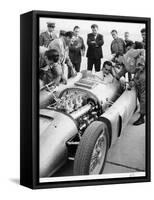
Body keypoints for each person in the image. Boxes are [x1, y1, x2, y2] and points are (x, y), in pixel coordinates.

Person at [114, 46, 146, 125]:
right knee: (139, 93)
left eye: (116, 59)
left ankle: (142, 117)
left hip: (143, 74)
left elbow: (142, 50)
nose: (117, 62)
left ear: (120, 56)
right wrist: (117, 77)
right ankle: (143, 110)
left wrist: (141, 63)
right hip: (138, 76)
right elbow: (125, 70)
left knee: (143, 95)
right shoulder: (125, 64)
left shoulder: (129, 53)